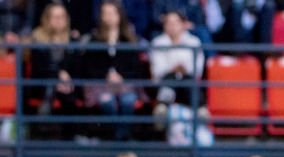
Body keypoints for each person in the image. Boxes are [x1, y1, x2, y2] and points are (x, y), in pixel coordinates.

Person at [75, 0, 148, 141]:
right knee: (106, 101)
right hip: (100, 85)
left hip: (125, 84)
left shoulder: (129, 40)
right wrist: (106, 75)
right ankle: (117, 136)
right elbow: (89, 67)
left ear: (119, 15)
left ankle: (121, 135)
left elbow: (135, 67)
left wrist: (121, 76)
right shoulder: (94, 40)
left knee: (129, 100)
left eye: (112, 13)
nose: (109, 17)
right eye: (105, 13)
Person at [150, 9, 204, 125]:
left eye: (176, 23)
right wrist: (173, 69)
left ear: (183, 24)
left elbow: (198, 68)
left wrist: (184, 69)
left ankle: (201, 112)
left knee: (188, 81)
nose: (172, 26)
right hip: (165, 83)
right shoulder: (157, 43)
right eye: (169, 23)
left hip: (187, 83)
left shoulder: (194, 42)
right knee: (171, 78)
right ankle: (162, 111)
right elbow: (157, 70)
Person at [27, 3, 78, 122]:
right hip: (42, 82)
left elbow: (76, 66)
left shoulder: (73, 40)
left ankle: (70, 137)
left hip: (68, 83)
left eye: (62, 17)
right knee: (54, 87)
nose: (59, 20)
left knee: (69, 94)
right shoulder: (37, 39)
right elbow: (39, 67)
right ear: (47, 19)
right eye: (55, 17)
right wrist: (59, 75)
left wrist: (65, 77)